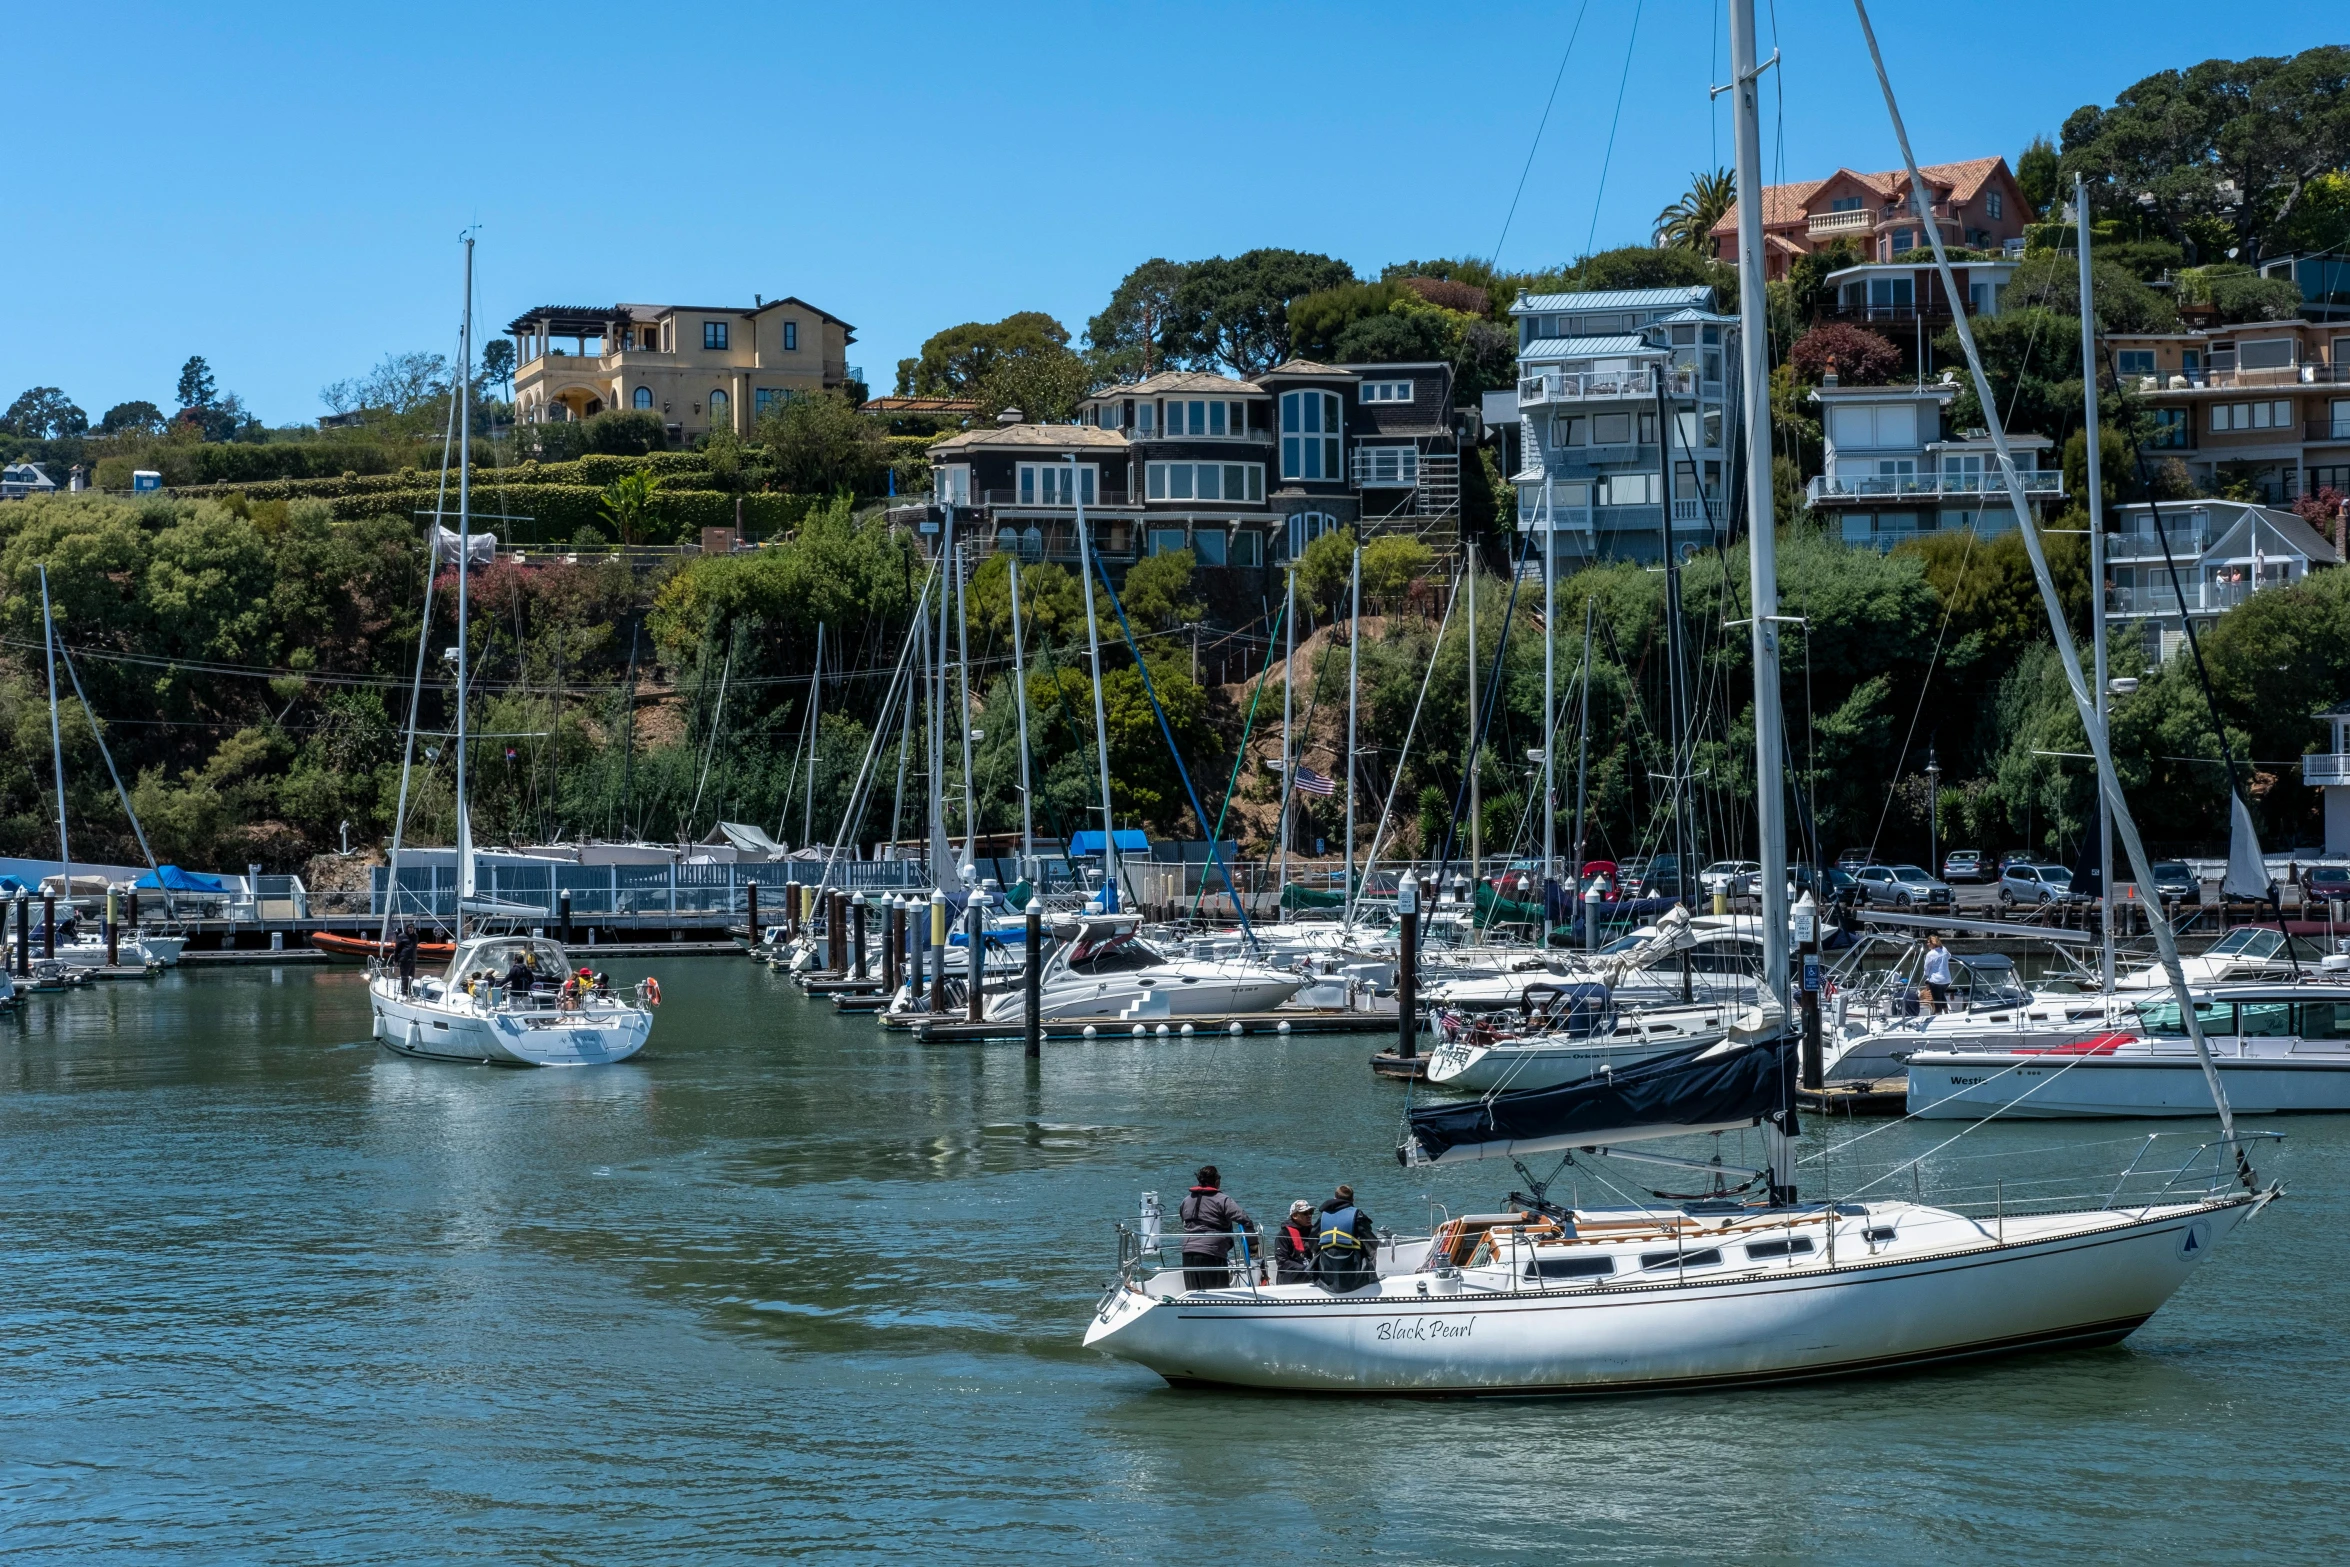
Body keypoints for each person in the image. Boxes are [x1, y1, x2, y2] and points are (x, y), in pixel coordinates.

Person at [1178, 1165, 1261, 1291]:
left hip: (1188, 1251)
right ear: (1217, 1182)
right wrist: (1253, 1249)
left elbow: (1183, 1220)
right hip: (1212, 1253)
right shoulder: (1222, 1200)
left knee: (1194, 1295)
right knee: (1217, 1295)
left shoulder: (1186, 1200)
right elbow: (1245, 1220)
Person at [1314, 1185, 1378, 1293]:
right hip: (1352, 1265)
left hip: (1326, 1266)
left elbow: (1312, 1239)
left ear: (1335, 1197)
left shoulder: (1323, 1216)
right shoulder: (1357, 1214)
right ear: (1352, 1199)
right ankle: (1370, 1281)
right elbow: (1370, 1240)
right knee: (1372, 1247)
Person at [1274, 1200, 1318, 1284]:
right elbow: (1282, 1262)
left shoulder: (1313, 1232)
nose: (1309, 1216)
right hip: (1290, 1276)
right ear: (1294, 1216)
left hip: (1310, 1271)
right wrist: (1305, 1268)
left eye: (1311, 1212)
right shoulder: (1283, 1234)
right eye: (1305, 1213)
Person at [1921, 933, 1953, 1014]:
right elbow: (1949, 956)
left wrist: (1926, 975)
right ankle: (1946, 1012)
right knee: (1941, 995)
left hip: (1936, 980)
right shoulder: (1944, 949)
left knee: (1937, 999)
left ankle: (1938, 1015)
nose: (1927, 944)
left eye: (1928, 942)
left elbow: (1926, 968)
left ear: (1933, 943)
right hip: (1946, 979)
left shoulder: (1930, 954)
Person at [394, 922, 419, 997]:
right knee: (404, 977)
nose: (411, 929)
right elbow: (396, 949)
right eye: (409, 927)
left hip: (412, 959)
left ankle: (409, 992)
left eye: (412, 928)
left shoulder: (415, 936)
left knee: (411, 977)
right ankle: (404, 993)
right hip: (404, 959)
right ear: (406, 928)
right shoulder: (401, 936)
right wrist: (395, 960)